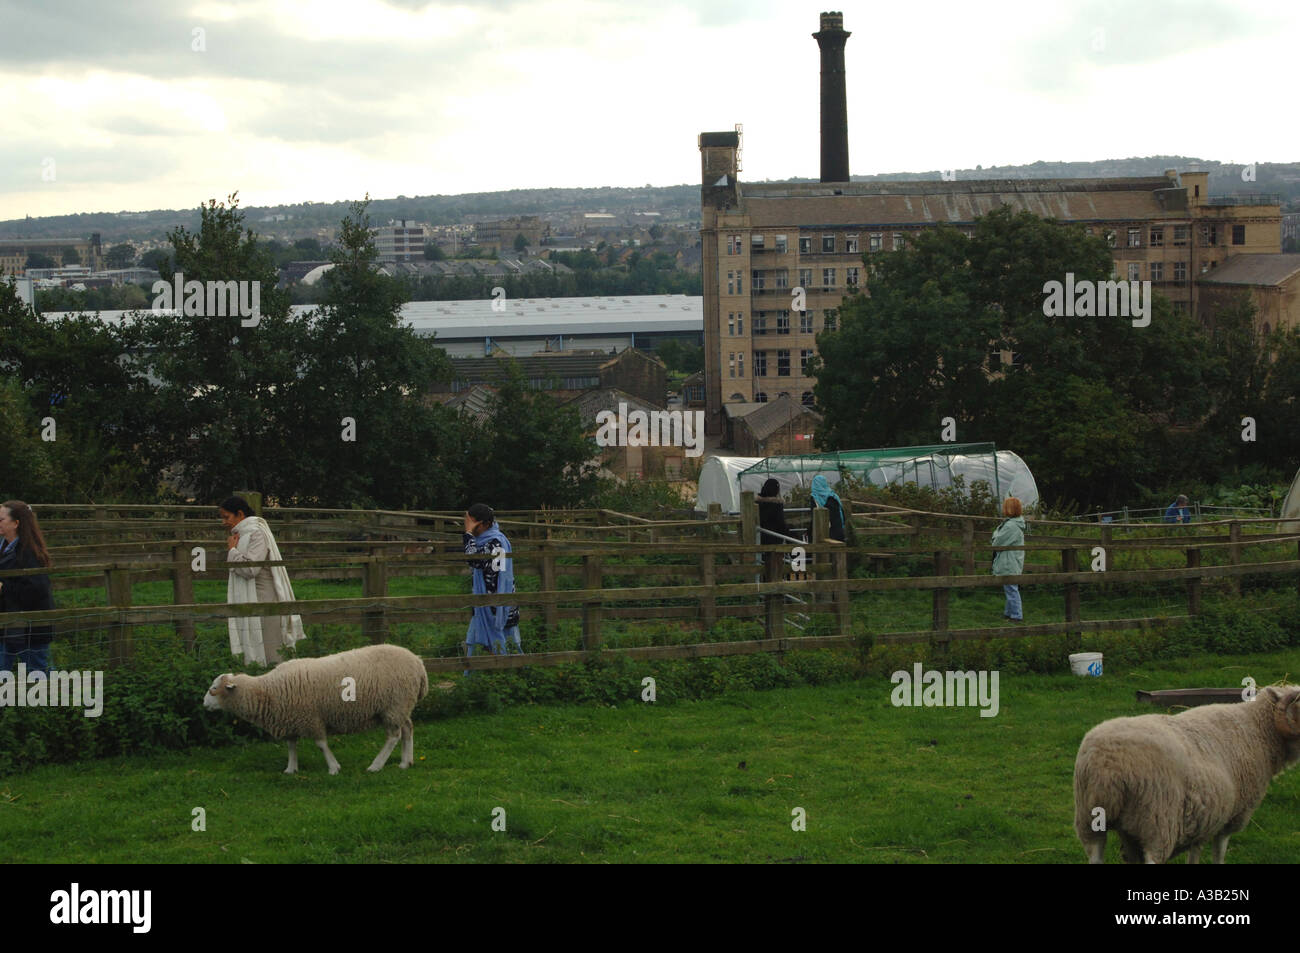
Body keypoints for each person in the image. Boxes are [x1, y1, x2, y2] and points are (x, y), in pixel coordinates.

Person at [221, 496, 304, 666]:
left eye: (226, 517)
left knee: (271, 649)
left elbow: (251, 568)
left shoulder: (256, 533)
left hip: (265, 600)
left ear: (240, 514)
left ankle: (280, 684)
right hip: (253, 600)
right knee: (257, 645)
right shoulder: (242, 534)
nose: (223, 522)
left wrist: (232, 551)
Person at [0, 500, 54, 674]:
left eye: (1, 520)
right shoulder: (4, 547)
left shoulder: (30, 553)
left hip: (30, 628)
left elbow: (37, 590)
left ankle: (56, 698)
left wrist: (3, 588)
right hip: (7, 623)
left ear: (16, 523)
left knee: (37, 671)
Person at [463, 503, 521, 660]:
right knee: (475, 643)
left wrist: (468, 534)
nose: (468, 526)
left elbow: (474, 560)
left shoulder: (496, 542)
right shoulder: (486, 541)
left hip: (497, 606)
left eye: (472, 523)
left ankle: (510, 675)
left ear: (485, 524)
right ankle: (477, 679)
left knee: (509, 646)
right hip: (485, 604)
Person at [992, 497, 1027, 622]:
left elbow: (997, 543)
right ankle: (1009, 613)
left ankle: (1017, 615)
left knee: (1011, 588)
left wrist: (995, 533)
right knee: (1010, 587)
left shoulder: (1011, 526)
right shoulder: (1015, 523)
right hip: (1012, 560)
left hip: (1009, 561)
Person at [756, 478, 797, 543]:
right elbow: (780, 523)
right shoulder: (776, 504)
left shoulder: (756, 503)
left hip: (758, 537)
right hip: (774, 537)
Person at [809, 474, 846, 542]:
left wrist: (809, 531)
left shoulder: (815, 498)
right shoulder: (833, 496)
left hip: (824, 534)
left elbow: (814, 518)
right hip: (838, 532)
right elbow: (841, 514)